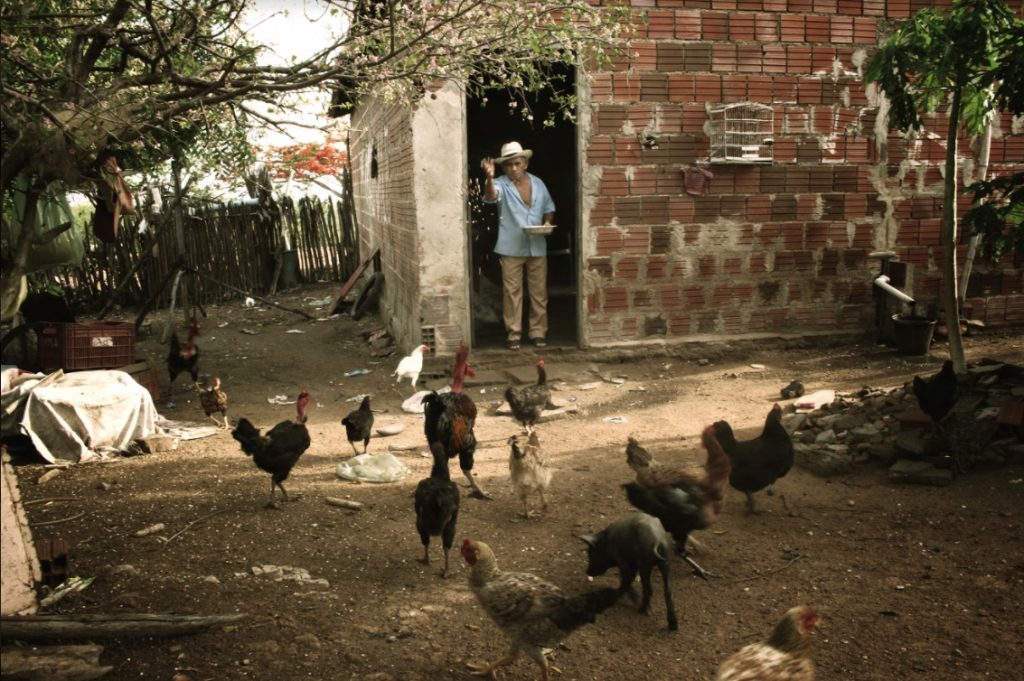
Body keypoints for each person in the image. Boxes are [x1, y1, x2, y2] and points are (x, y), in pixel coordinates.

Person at [480, 141, 556, 351]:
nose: (513, 168)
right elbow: (489, 197)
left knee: (538, 292)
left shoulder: (538, 183)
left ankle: (538, 332)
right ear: (504, 167)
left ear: (525, 163)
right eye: (509, 165)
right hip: (511, 247)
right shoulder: (501, 184)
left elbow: (549, 207)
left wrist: (548, 223)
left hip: (537, 245)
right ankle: (514, 333)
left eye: (517, 163)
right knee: (512, 293)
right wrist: (489, 177)